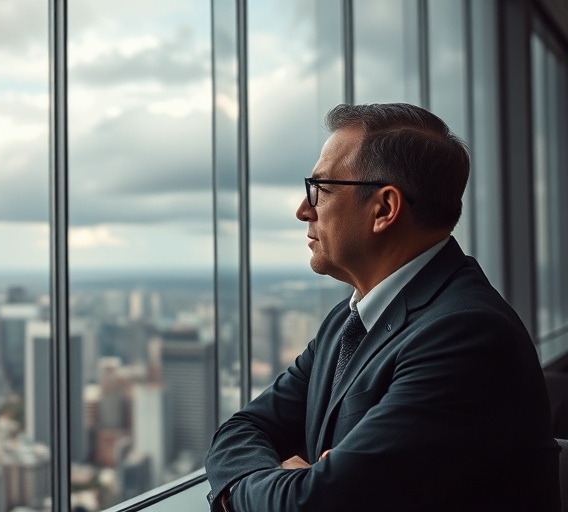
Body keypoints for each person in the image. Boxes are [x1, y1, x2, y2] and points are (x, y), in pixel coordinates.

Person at [205, 103, 560, 511]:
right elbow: (241, 429)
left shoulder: (467, 335)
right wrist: (275, 486)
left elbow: (316, 504)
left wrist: (249, 490)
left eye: (319, 189)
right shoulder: (346, 322)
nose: (303, 210)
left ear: (384, 209)